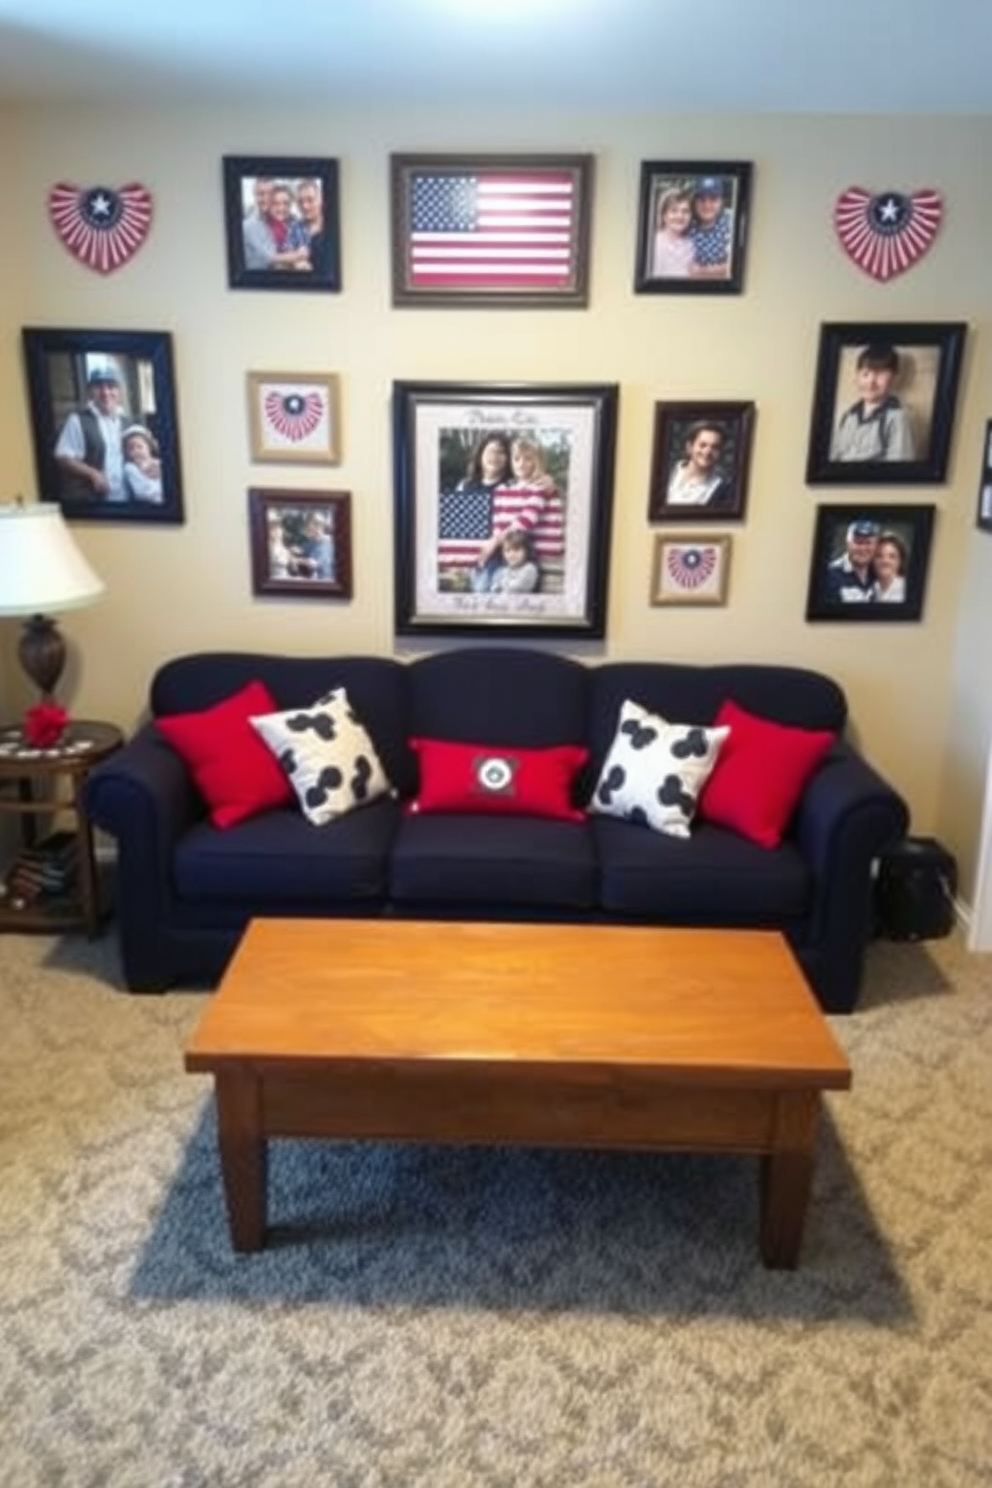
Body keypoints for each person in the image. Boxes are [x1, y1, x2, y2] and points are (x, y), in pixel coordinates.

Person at [471, 435, 562, 594]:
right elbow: (498, 523)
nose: (522, 464)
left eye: (528, 459)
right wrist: (495, 542)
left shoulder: (541, 487)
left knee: (515, 586)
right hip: (506, 552)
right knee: (483, 584)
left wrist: (494, 541)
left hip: (527, 555)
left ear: (537, 461)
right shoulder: (503, 490)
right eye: (517, 459)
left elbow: (526, 520)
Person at [437, 432, 513, 589]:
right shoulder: (465, 485)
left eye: (501, 452)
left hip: (499, 557)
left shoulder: (512, 487)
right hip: (465, 557)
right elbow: (455, 523)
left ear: (508, 459)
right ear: (480, 455)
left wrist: (548, 483)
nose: (495, 456)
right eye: (490, 451)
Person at [53, 365, 127, 503]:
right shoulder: (77, 420)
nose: (105, 393)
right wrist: (93, 474)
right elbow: (63, 457)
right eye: (99, 387)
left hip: (125, 498)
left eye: (111, 386)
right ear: (90, 392)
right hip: (92, 500)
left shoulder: (127, 421)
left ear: (119, 391)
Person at [830, 344, 915, 462]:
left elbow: (900, 470)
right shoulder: (848, 415)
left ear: (894, 378)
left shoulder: (897, 417)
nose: (871, 382)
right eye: (865, 374)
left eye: (880, 374)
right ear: (857, 376)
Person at [666, 423, 735, 509]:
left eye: (715, 447)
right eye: (702, 445)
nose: (708, 452)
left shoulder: (722, 491)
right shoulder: (666, 472)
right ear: (689, 447)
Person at [823, 518, 880, 604]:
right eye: (858, 542)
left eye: (868, 543)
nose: (862, 548)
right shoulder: (830, 575)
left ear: (876, 546)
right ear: (848, 543)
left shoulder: (880, 574)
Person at [688, 177, 733, 279]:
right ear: (694, 202)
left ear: (722, 202)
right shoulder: (686, 221)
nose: (707, 205)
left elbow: (737, 264)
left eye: (713, 199)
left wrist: (703, 271)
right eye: (702, 199)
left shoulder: (730, 221)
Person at [650, 186, 695, 278]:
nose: (680, 216)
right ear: (663, 215)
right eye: (674, 211)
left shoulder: (691, 244)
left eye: (685, 211)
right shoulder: (654, 244)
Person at [294, 178, 331, 277]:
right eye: (300, 202)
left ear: (320, 200)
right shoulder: (295, 227)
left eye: (310, 200)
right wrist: (293, 264)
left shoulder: (331, 226)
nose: (305, 206)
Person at [489, 530, 540, 595]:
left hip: (522, 602)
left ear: (526, 551)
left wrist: (501, 585)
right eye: (507, 550)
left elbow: (516, 588)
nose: (512, 554)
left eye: (517, 549)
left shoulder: (529, 568)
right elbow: (494, 587)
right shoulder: (504, 569)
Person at [121, 424, 163, 504]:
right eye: (131, 448)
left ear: (149, 447)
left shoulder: (158, 463)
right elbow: (144, 493)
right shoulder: (130, 468)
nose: (136, 451)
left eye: (140, 447)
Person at [289, 512, 335, 580]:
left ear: (321, 527)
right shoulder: (308, 544)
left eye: (316, 525)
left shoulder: (329, 543)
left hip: (326, 582)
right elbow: (300, 553)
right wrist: (293, 553)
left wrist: (298, 560)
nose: (309, 529)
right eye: (308, 527)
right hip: (311, 582)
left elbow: (314, 563)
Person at [872, 532, 908, 602]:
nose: (885, 561)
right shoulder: (868, 590)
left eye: (892, 557)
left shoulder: (908, 590)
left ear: (900, 561)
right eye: (879, 556)